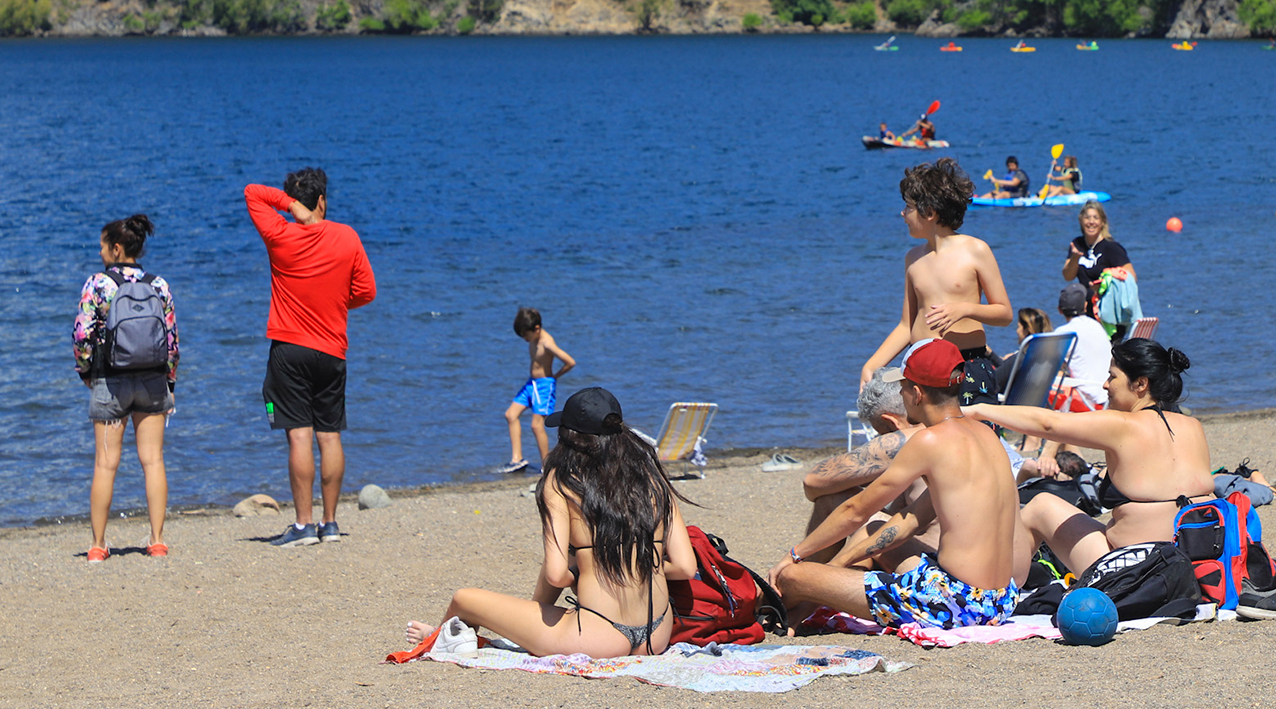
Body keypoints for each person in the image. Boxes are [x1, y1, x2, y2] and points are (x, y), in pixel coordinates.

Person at [404, 388, 697, 658]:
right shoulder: (653, 480)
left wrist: (589, 572)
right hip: (656, 635)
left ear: (570, 436)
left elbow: (556, 575)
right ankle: (526, 619)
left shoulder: (562, 482)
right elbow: (686, 567)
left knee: (464, 599)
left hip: (597, 637)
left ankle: (440, 637)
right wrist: (629, 565)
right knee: (578, 556)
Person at [771, 339, 1021, 629]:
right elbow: (912, 519)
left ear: (916, 394)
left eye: (903, 387)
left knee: (792, 577)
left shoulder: (929, 440)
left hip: (956, 602)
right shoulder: (986, 435)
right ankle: (800, 612)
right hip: (1001, 600)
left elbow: (855, 510)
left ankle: (785, 609)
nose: (901, 394)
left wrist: (794, 556)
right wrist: (838, 564)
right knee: (877, 531)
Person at [964, 339, 1214, 577]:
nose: (1105, 385)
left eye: (1112, 377)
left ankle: (1002, 593)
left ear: (1140, 384)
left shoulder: (1124, 424)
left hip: (1138, 572)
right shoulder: (1193, 426)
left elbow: (1048, 424)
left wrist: (976, 410)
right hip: (1200, 563)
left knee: (1039, 507)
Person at [245, 168, 377, 547]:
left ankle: (303, 525)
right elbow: (366, 291)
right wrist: (334, 299)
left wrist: (290, 209)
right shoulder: (346, 236)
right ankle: (330, 523)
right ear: (322, 201)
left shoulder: (279, 233)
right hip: (332, 349)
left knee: (299, 436)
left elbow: (253, 192)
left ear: (294, 202)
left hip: (289, 348)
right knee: (329, 435)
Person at [861, 157, 1013, 410]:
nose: (902, 214)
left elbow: (1004, 313)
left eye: (908, 207)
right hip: (921, 369)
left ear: (929, 212)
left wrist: (964, 309)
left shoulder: (975, 250)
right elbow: (905, 326)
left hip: (966, 366)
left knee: (974, 441)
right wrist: (872, 365)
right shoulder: (913, 258)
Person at [73, 215, 179, 562]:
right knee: (153, 461)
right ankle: (157, 540)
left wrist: (86, 372)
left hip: (110, 381)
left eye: (103, 246)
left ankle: (99, 545)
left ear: (116, 248)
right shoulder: (158, 284)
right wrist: (170, 382)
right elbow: (172, 341)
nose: (101, 253)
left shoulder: (98, 284)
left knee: (105, 464)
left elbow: (81, 335)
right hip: (152, 380)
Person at [800, 369, 933, 570]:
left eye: (880, 433)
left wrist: (863, 475)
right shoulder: (962, 426)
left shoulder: (908, 439)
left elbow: (813, 482)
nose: (879, 440)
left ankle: (805, 583)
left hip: (933, 563)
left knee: (836, 503)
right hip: (972, 564)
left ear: (891, 422)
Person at [500, 307, 576, 474]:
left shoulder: (547, 343)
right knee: (511, 414)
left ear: (536, 329)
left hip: (544, 386)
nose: (525, 339)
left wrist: (555, 376)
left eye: (526, 335)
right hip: (531, 384)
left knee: (536, 425)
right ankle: (517, 459)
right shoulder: (534, 337)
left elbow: (570, 362)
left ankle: (546, 466)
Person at [1062, 201, 1137, 339]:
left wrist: (1103, 285)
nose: (1091, 222)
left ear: (1102, 222)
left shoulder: (1111, 248)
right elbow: (1067, 276)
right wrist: (1075, 258)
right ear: (1081, 221)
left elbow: (1131, 277)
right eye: (1087, 218)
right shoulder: (1077, 244)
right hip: (1085, 312)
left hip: (1108, 314)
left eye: (1095, 218)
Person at [1054, 284, 1111, 408]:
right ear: (1085, 306)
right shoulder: (1096, 326)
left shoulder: (1063, 333)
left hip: (1089, 400)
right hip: (1107, 395)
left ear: (1059, 310)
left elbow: (1046, 366)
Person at [995, 307, 1054, 395]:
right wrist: (991, 355)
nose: (1017, 331)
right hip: (1031, 406)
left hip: (1006, 406)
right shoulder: (1047, 358)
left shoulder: (1021, 359)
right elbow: (1008, 370)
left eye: (1018, 327)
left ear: (1027, 330)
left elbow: (992, 383)